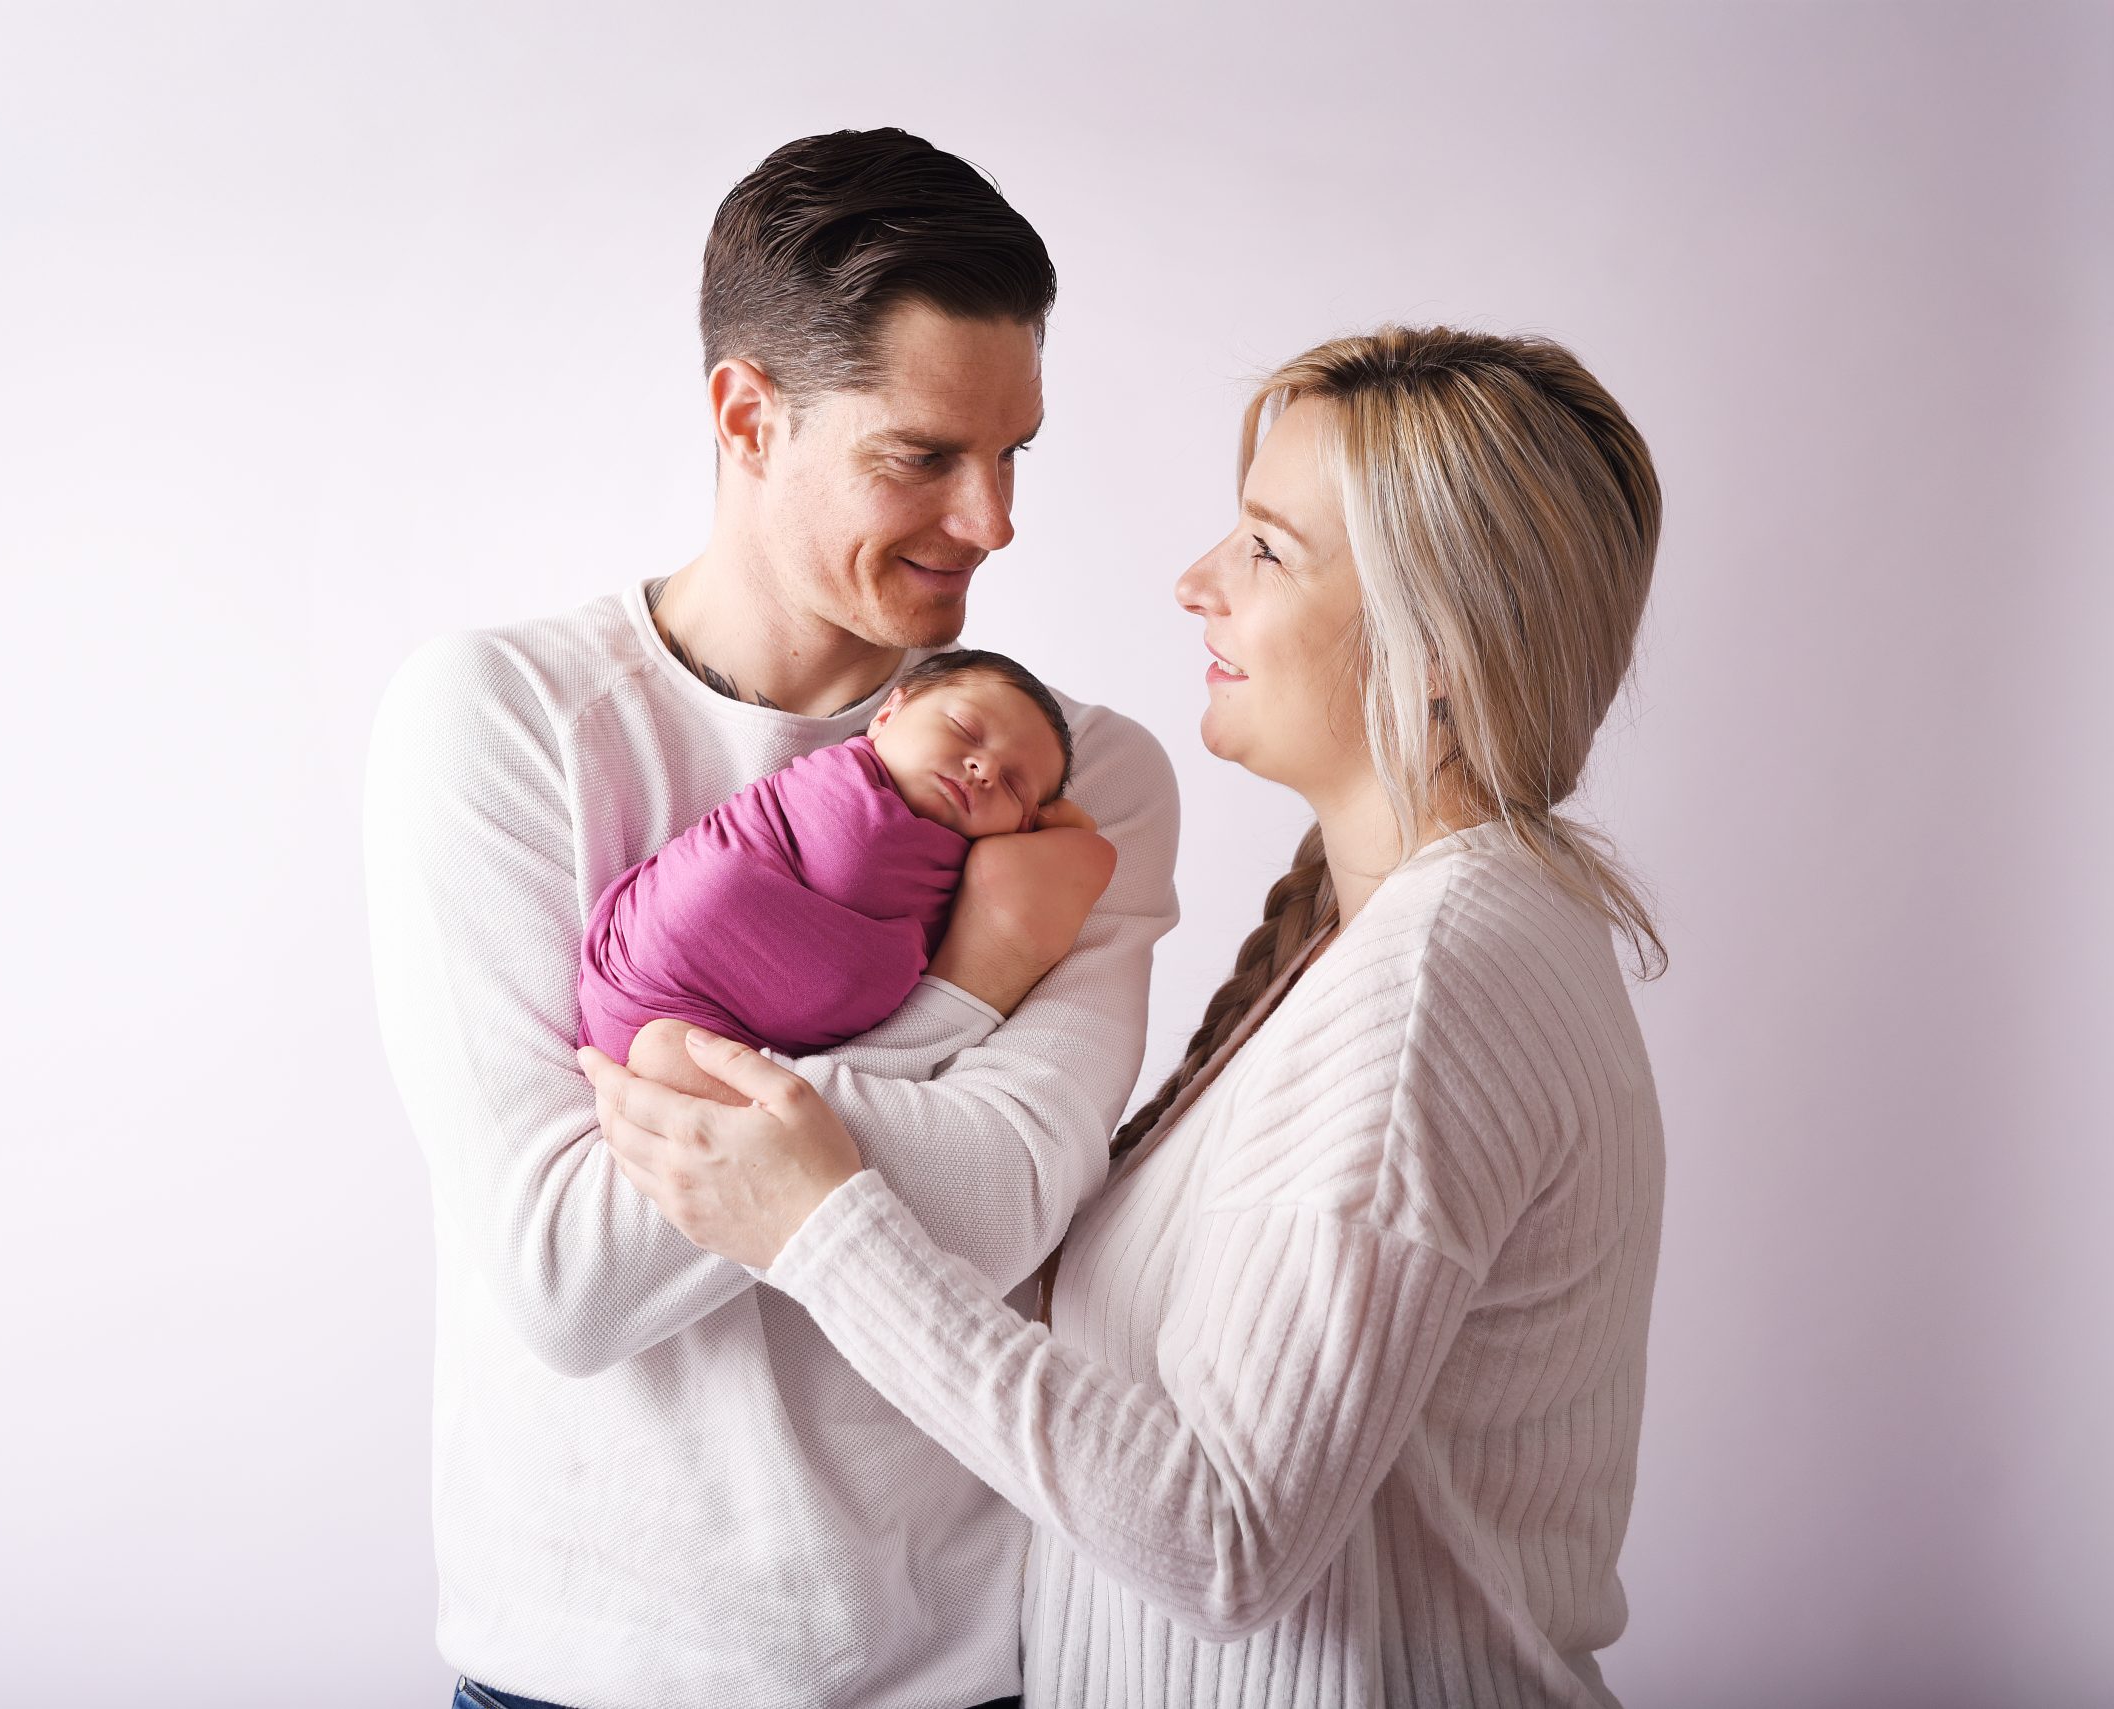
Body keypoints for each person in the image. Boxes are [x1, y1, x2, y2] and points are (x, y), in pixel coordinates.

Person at [586, 325, 1668, 1708]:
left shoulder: (1428, 984)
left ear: (1442, 644)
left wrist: (819, 1226)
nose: (1197, 580)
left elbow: (1226, 1541)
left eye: (1267, 549)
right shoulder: (1381, 938)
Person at [364, 128, 1181, 1709]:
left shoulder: (1071, 779)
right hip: (577, 1675)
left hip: (964, 1675)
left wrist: (744, 1135)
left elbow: (1009, 1201)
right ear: (748, 416)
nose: (994, 519)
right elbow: (570, 1280)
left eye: (1015, 453)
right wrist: (962, 994)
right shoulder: (502, 722)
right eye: (924, 456)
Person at [581, 648, 1104, 1105]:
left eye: (1014, 786)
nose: (984, 770)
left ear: (1023, 824)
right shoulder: (841, 787)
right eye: (965, 730)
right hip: (652, 990)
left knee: (685, 1068)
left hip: (723, 1049)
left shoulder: (970, 866)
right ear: (888, 715)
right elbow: (854, 867)